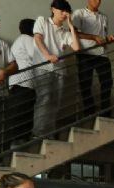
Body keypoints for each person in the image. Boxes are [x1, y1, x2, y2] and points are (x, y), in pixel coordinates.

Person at [33, 0, 82, 138]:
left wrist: (71, 26)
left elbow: (77, 48)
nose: (65, 14)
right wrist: (47, 55)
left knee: (56, 103)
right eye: (62, 10)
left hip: (60, 71)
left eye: (67, 11)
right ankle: (38, 134)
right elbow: (37, 39)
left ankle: (48, 134)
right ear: (53, 9)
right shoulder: (42, 21)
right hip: (44, 68)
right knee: (45, 99)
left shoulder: (65, 32)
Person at [72, 0, 114, 117]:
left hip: (101, 53)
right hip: (86, 53)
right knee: (86, 84)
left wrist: (107, 38)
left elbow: (101, 37)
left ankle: (106, 113)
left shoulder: (104, 17)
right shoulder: (79, 13)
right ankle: (89, 113)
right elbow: (74, 33)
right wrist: (94, 37)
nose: (98, 1)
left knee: (107, 82)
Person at [0, 13, 18, 154]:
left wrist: (3, 71)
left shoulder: (2, 43)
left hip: (0, 92)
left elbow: (14, 65)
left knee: (0, 126)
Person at [9, 19, 37, 147]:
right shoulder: (27, 38)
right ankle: (20, 140)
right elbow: (35, 55)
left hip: (18, 82)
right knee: (24, 111)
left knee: (19, 111)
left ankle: (19, 140)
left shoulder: (19, 40)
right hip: (24, 81)